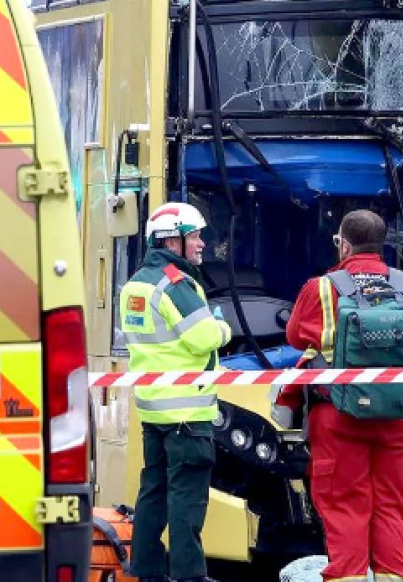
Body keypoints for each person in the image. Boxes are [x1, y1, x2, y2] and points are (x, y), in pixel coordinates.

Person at [277, 209, 403, 582]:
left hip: (338, 414)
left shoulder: (322, 288)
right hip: (398, 413)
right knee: (393, 506)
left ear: (343, 243)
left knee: (346, 507)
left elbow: (295, 337)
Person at [121, 202, 232, 582]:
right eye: (195, 236)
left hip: (154, 409)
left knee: (153, 492)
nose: (201, 243)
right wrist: (222, 327)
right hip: (187, 413)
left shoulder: (136, 282)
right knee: (187, 496)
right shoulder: (176, 282)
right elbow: (203, 338)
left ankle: (147, 571)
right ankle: (189, 575)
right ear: (173, 239)